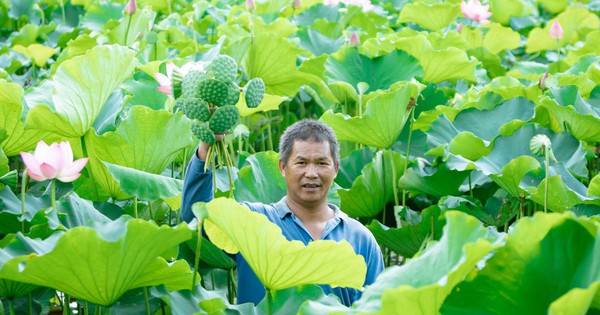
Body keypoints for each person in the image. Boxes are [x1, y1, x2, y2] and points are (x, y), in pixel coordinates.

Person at [181, 119, 384, 306]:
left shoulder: (361, 238)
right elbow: (196, 215)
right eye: (301, 163)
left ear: (336, 168)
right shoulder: (253, 222)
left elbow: (377, 307)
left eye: (321, 163)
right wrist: (206, 147)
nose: (311, 173)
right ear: (282, 167)